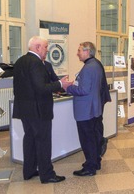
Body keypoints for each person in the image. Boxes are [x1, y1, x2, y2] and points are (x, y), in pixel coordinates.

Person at [13, 36, 71, 184]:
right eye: (45, 47)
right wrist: (60, 84)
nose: (47, 50)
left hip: (25, 110)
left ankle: (29, 170)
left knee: (30, 139)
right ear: (38, 47)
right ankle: (47, 175)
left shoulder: (20, 61)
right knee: (43, 141)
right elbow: (41, 88)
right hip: (39, 110)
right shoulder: (37, 63)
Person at [63, 42, 103, 176]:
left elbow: (84, 89)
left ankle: (90, 167)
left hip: (85, 110)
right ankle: (95, 162)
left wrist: (67, 87)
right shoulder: (96, 64)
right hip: (93, 109)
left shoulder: (88, 68)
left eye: (79, 50)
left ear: (87, 51)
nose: (77, 53)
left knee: (87, 139)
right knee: (93, 137)